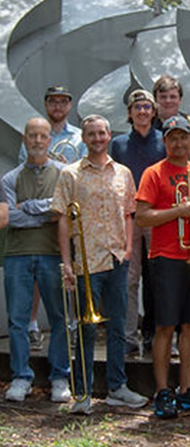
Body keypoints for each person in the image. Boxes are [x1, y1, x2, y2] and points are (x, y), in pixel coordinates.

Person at [52, 114, 147, 415]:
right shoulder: (70, 174)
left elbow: (129, 213)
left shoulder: (123, 173)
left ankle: (117, 387)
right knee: (86, 331)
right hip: (86, 263)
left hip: (116, 259)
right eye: (91, 134)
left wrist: (129, 248)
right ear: (84, 139)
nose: (96, 138)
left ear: (109, 136)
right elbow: (63, 220)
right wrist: (67, 262)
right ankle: (83, 392)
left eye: (101, 133)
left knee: (118, 327)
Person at [136, 115, 190, 419]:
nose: (179, 143)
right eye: (173, 138)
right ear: (165, 141)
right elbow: (142, 217)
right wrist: (178, 210)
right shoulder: (153, 173)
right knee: (165, 326)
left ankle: (186, 390)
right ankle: (162, 391)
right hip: (166, 258)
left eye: (184, 137)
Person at [2, 118, 70, 403]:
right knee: (17, 320)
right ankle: (20, 376)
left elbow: (61, 210)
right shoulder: (9, 178)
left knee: (59, 319)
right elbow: (7, 218)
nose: (38, 140)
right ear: (24, 140)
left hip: (52, 252)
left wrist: (29, 207)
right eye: (33, 136)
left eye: (43, 135)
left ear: (49, 140)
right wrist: (46, 212)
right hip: (17, 254)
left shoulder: (63, 173)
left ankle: (59, 376)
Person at [18, 86, 88, 351]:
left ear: (69, 106)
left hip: (69, 213)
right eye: (53, 102)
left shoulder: (79, 137)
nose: (58, 107)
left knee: (70, 270)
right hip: (41, 216)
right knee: (38, 269)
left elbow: (81, 176)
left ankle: (72, 324)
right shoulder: (35, 135)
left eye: (62, 102)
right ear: (46, 104)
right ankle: (33, 324)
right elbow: (27, 173)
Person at [110, 89, 166, 356]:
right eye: (137, 107)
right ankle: (129, 335)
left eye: (146, 107)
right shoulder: (119, 144)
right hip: (128, 218)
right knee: (129, 278)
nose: (142, 111)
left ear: (153, 112)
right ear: (130, 113)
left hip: (158, 216)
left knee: (158, 277)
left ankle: (156, 334)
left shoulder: (164, 140)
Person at [152, 75, 190, 167]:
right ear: (155, 100)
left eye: (173, 97)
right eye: (163, 97)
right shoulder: (149, 129)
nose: (168, 101)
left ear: (180, 100)